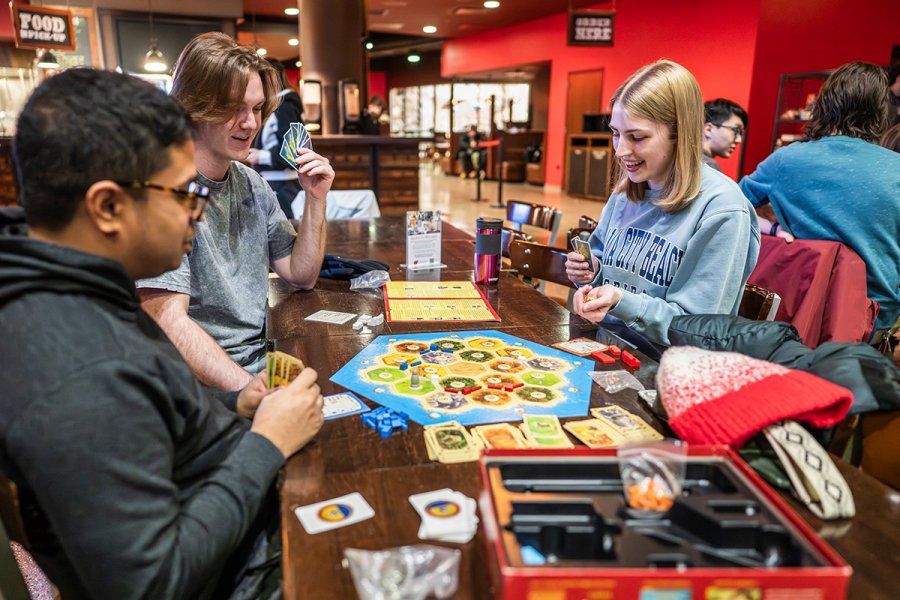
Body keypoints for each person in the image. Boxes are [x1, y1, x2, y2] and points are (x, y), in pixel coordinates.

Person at [1, 68, 324, 599]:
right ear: (107, 207)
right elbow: (154, 584)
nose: (197, 215)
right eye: (184, 194)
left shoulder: (66, 279)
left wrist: (235, 402)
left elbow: (158, 419)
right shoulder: (81, 370)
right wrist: (266, 442)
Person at [138, 32, 334, 392]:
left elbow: (301, 275)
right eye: (233, 108)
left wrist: (316, 198)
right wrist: (255, 394)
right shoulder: (161, 190)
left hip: (261, 360)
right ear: (193, 106)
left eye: (257, 108)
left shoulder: (251, 182)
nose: (251, 123)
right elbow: (167, 321)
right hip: (197, 386)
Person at [565, 60, 760, 347]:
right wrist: (590, 273)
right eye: (616, 133)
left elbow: (697, 330)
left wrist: (622, 300)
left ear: (680, 134)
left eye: (637, 137)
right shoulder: (625, 191)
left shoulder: (723, 208)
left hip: (665, 367)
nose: (620, 151)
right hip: (605, 344)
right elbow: (602, 271)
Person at [739, 62, 900, 337]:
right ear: (880, 110)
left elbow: (728, 209)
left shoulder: (786, 159)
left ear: (824, 102)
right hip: (871, 323)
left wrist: (774, 229)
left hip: (792, 313)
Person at [247, 59, 304, 218]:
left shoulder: (285, 107)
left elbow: (293, 151)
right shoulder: (280, 106)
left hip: (283, 186)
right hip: (277, 184)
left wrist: (262, 156)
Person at [702, 98, 748, 172]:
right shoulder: (708, 167)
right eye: (736, 130)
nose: (739, 140)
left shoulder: (683, 158)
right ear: (709, 129)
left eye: (741, 133)